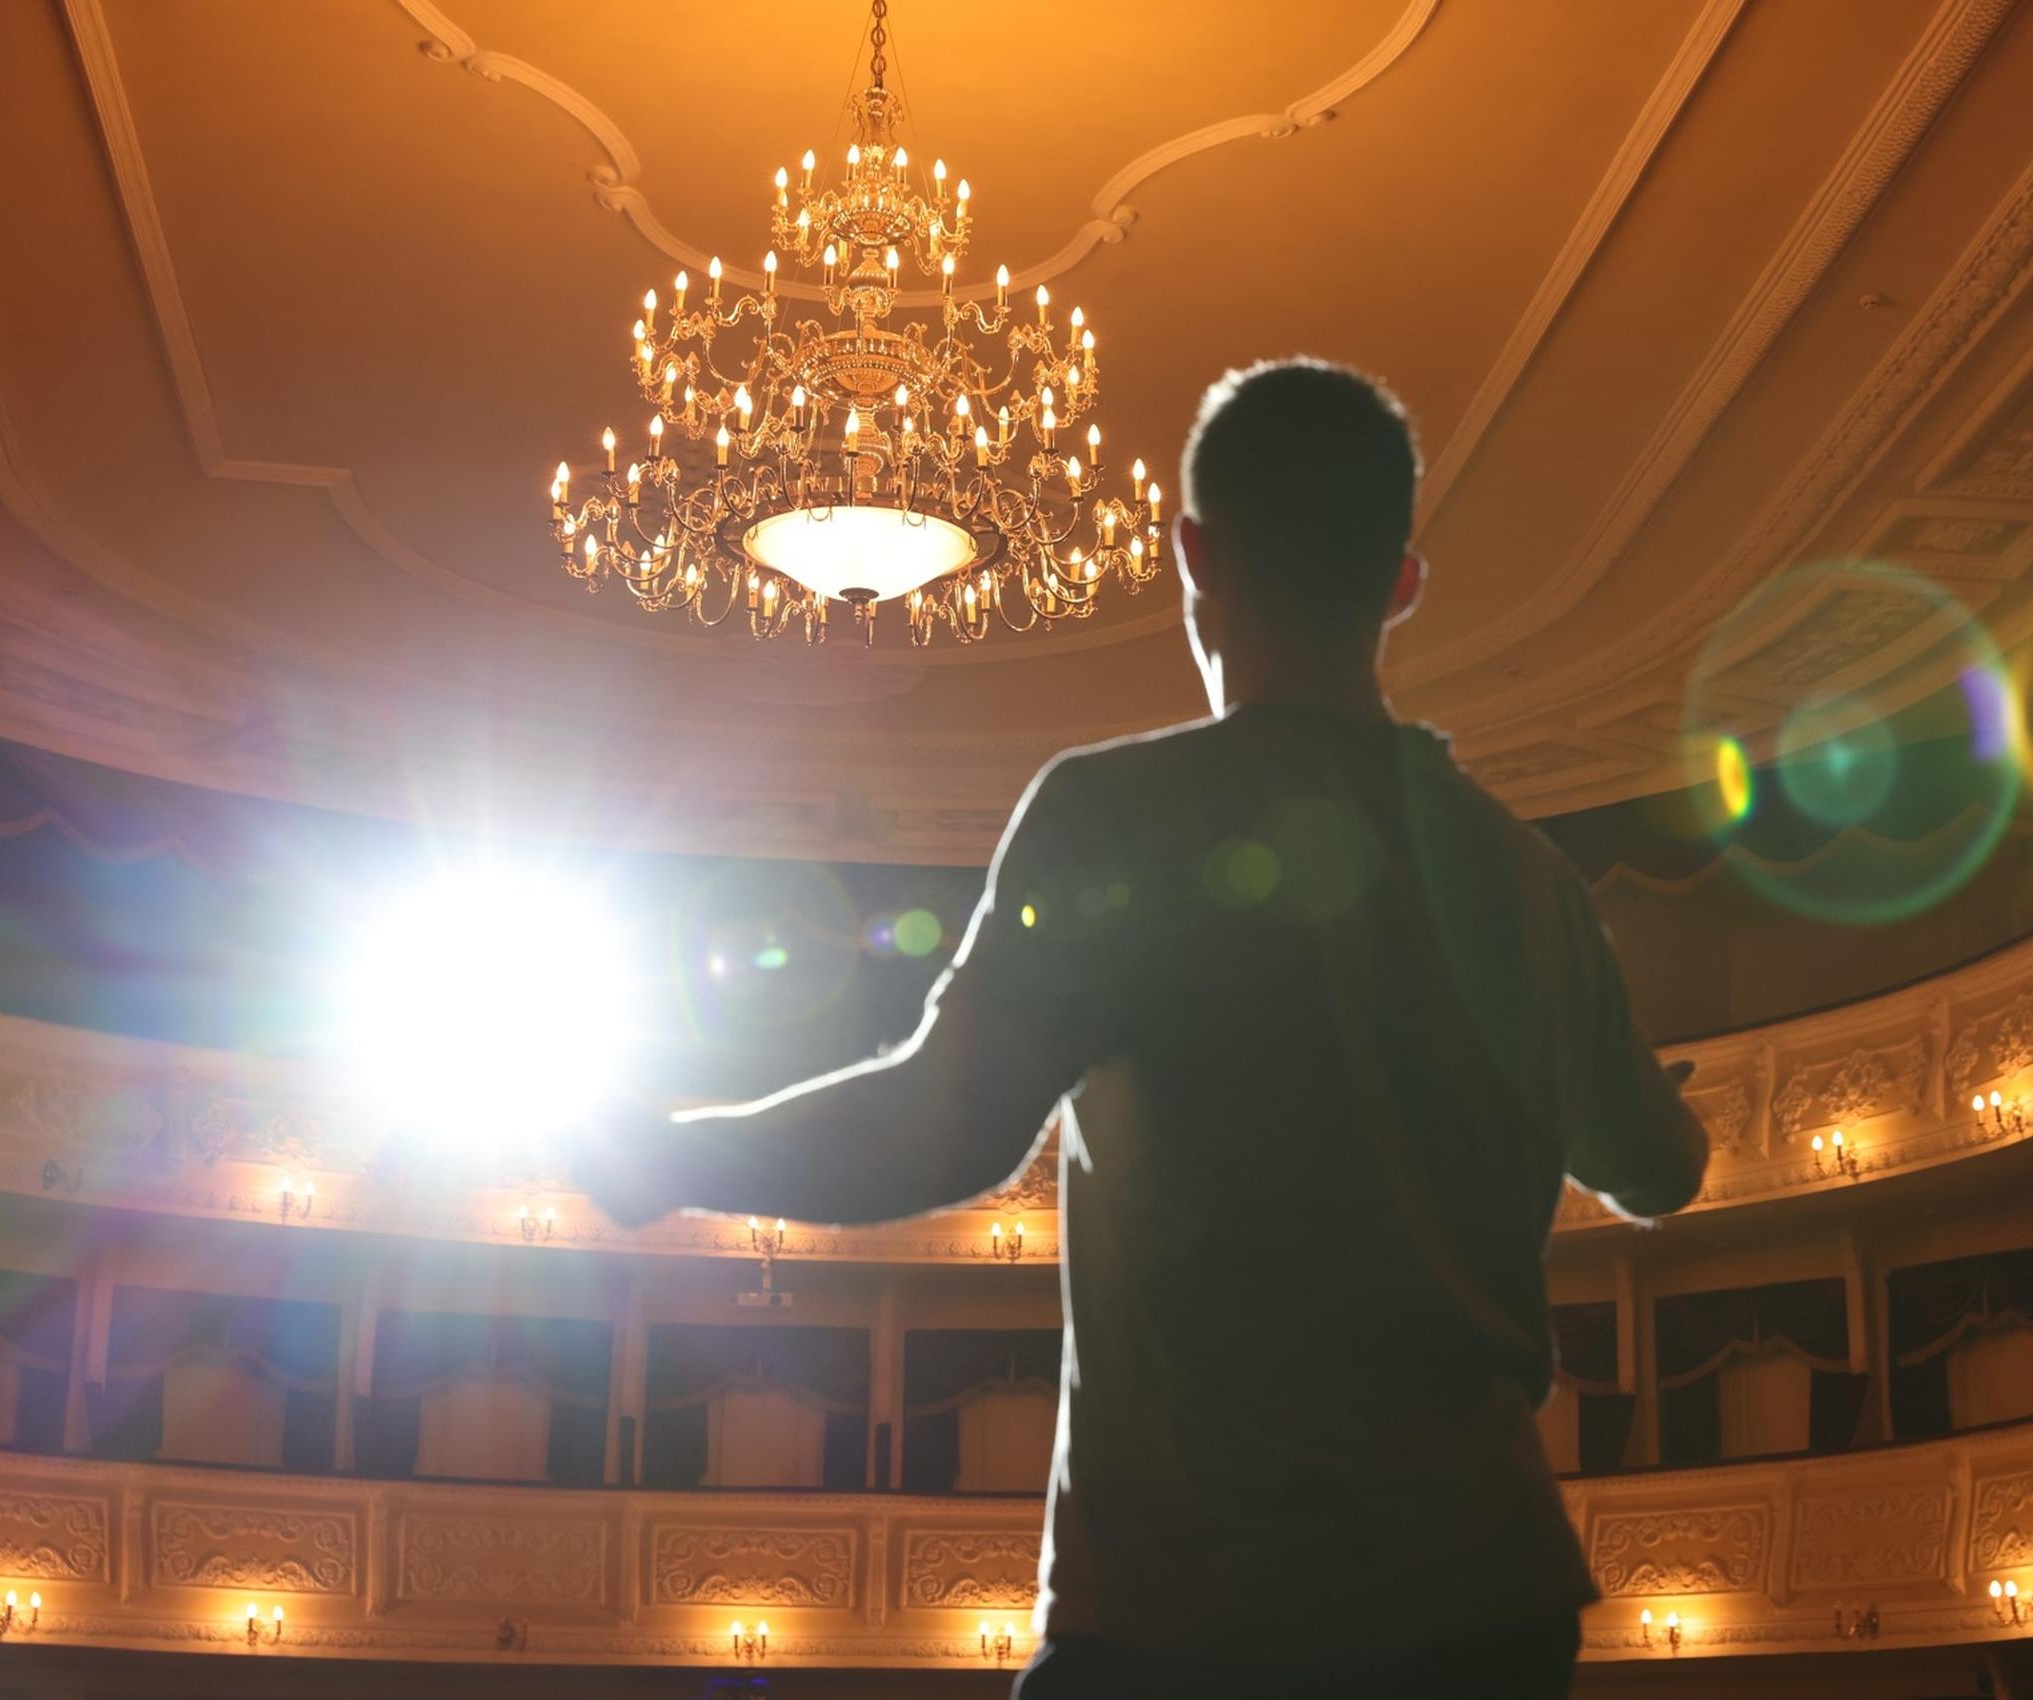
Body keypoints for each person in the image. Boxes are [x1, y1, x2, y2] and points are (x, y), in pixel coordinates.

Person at [581, 358, 1709, 1699]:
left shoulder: (1118, 818)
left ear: (1194, 555)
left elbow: (940, 1132)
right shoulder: (1533, 887)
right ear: (1400, 579)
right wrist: (1631, 1083)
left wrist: (670, 1155)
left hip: (1196, 1610)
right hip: (1484, 1603)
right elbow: (1660, 1167)